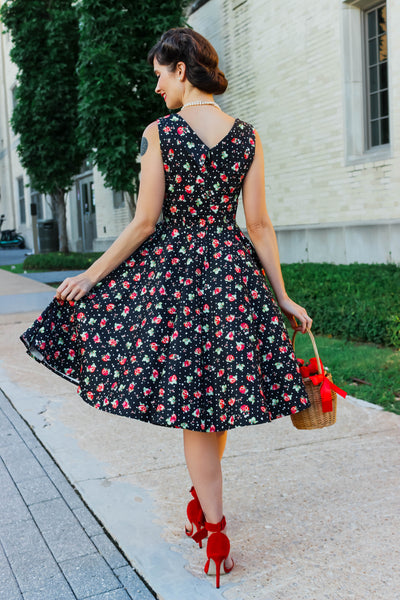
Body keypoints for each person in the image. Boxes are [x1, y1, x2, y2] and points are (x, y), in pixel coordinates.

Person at [20, 27, 312, 589]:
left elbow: (145, 223)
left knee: (197, 406)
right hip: (232, 278)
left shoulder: (161, 133)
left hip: (176, 281)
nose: (156, 87)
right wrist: (280, 294)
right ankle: (204, 508)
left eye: (158, 73)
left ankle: (217, 529)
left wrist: (91, 274)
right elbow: (258, 225)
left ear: (182, 69)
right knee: (215, 401)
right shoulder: (248, 136)